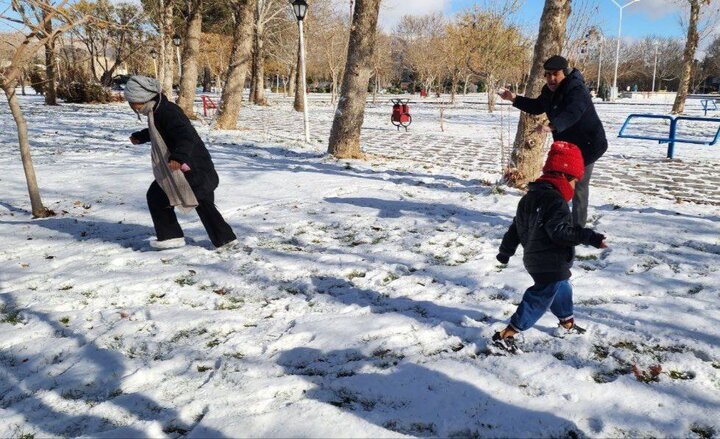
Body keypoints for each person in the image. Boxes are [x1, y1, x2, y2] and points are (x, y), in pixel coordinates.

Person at [491, 141, 607, 354]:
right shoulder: (556, 201)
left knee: (562, 287)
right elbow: (560, 232)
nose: (575, 188)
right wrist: (590, 236)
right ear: (567, 177)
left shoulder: (530, 197)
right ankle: (507, 334)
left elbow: (515, 228)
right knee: (539, 297)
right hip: (549, 260)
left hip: (535, 259)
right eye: (576, 182)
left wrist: (505, 251)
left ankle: (566, 324)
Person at [124, 75, 237, 250]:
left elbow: (185, 136)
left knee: (201, 203)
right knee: (159, 197)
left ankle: (224, 240)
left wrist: (178, 157)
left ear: (141, 98)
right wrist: (141, 136)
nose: (131, 105)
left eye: (132, 102)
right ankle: (172, 237)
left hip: (192, 167)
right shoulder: (157, 110)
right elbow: (160, 132)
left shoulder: (168, 111)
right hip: (181, 167)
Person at [498, 55, 607, 227]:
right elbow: (537, 106)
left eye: (555, 74)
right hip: (566, 145)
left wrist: (553, 126)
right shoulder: (548, 91)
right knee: (559, 183)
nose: (551, 78)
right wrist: (513, 98)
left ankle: (577, 229)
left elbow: (574, 112)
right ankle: (557, 220)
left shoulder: (577, 89)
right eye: (547, 74)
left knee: (578, 186)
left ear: (564, 72)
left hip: (587, 145)